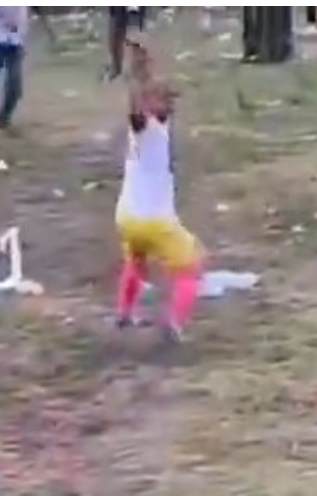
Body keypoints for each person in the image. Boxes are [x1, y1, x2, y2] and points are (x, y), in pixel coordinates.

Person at [113, 41, 204, 341]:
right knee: (191, 266)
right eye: (166, 101)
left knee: (136, 262)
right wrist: (137, 80)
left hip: (127, 218)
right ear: (151, 104)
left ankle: (124, 313)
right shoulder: (144, 129)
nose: (171, 105)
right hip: (155, 221)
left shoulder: (156, 127)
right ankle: (174, 324)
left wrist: (143, 68)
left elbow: (146, 96)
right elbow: (136, 108)